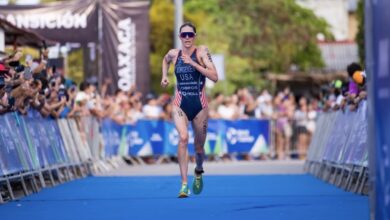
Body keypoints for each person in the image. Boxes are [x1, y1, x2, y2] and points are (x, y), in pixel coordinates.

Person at [161, 22, 218, 198]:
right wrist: (164, 76)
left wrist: (193, 64)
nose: (187, 38)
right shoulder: (173, 53)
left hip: (199, 105)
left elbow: (215, 77)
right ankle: (184, 184)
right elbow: (165, 60)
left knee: (199, 147)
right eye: (183, 35)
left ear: (194, 36)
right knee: (183, 138)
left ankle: (199, 171)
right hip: (180, 103)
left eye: (190, 35)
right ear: (179, 37)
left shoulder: (201, 52)